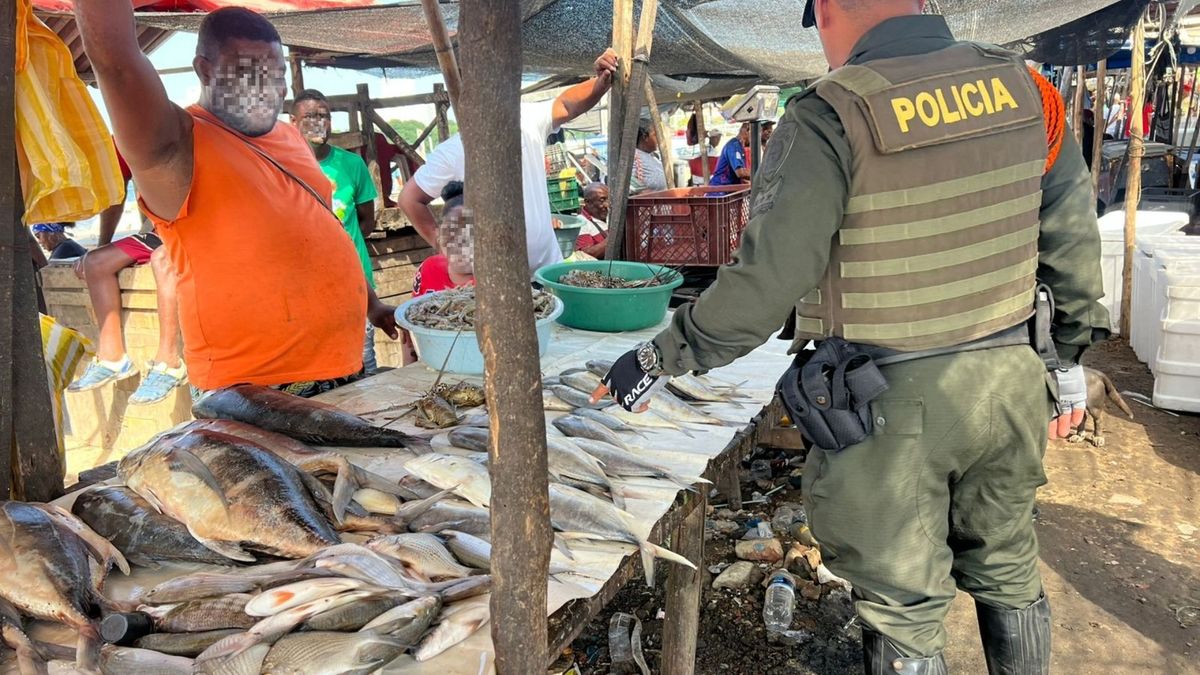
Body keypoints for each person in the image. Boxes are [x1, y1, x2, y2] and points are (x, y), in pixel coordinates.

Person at [592, 1, 1109, 672]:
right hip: (1010, 383)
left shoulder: (832, 113)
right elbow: (1071, 242)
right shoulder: (1025, 89)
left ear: (829, 8)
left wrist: (661, 353)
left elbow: (765, 286)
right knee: (1008, 563)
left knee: (903, 604)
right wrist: (1067, 361)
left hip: (888, 409)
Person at [75, 4, 398, 397]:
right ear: (205, 70)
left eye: (276, 74)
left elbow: (322, 231)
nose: (268, 88)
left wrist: (372, 303)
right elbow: (116, 62)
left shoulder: (290, 136)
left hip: (346, 365)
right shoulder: (175, 144)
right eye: (247, 73)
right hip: (255, 391)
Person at [399, 49, 618, 275]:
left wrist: (600, 83)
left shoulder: (526, 120)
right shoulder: (453, 151)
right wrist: (442, 245)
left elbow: (566, 105)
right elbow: (409, 199)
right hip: (498, 284)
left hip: (548, 271)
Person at [67, 155, 187, 405]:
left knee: (163, 259)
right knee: (95, 263)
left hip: (198, 227)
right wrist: (101, 244)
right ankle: (113, 358)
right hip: (160, 229)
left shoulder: (193, 130)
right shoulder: (123, 137)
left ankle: (169, 362)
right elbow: (117, 193)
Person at [292, 89, 382, 375]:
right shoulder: (284, 167)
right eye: (309, 117)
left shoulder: (352, 165)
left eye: (324, 116)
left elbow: (366, 222)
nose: (319, 123)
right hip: (305, 290)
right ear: (294, 123)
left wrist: (342, 246)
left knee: (363, 366)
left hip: (356, 284)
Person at [413, 182, 473, 297]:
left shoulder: (493, 280)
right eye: (451, 230)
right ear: (438, 234)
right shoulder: (429, 269)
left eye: (471, 232)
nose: (459, 242)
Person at [630, 122, 668, 195]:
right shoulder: (634, 158)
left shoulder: (653, 155)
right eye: (655, 135)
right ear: (645, 137)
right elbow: (630, 185)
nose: (659, 139)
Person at [575, 183, 610, 259]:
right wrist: (612, 239)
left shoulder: (609, 216)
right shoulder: (581, 222)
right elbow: (585, 255)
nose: (607, 204)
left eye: (608, 199)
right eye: (602, 200)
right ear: (587, 202)